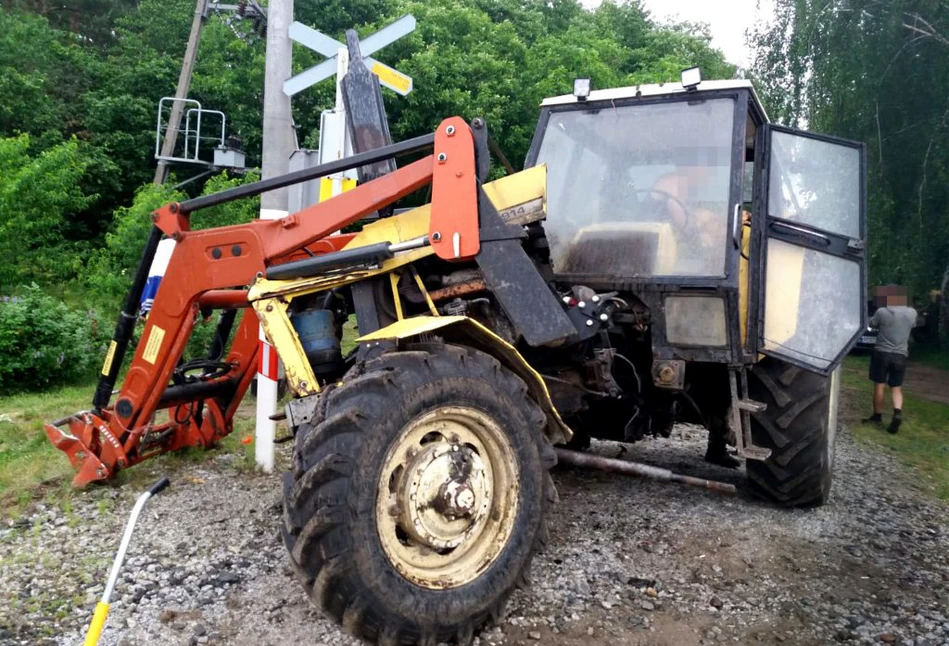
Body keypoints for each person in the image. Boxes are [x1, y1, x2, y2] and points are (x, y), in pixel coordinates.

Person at [863, 288, 917, 434]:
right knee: (896, 387)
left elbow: (872, 325)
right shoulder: (912, 313)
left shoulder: (882, 311)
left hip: (881, 352)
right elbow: (912, 326)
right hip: (900, 355)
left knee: (879, 386)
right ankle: (897, 413)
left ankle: (877, 416)